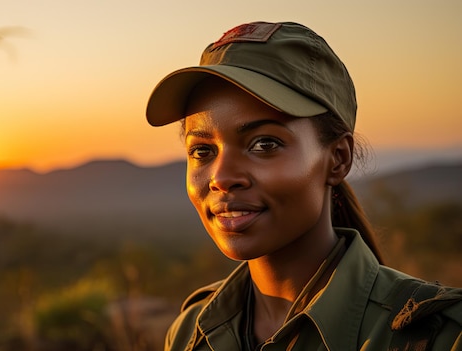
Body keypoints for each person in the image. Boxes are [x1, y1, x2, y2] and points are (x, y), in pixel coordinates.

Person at [145, 21, 462, 351]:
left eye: (264, 144)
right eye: (202, 150)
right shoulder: (189, 333)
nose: (222, 177)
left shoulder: (440, 336)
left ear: (337, 159)